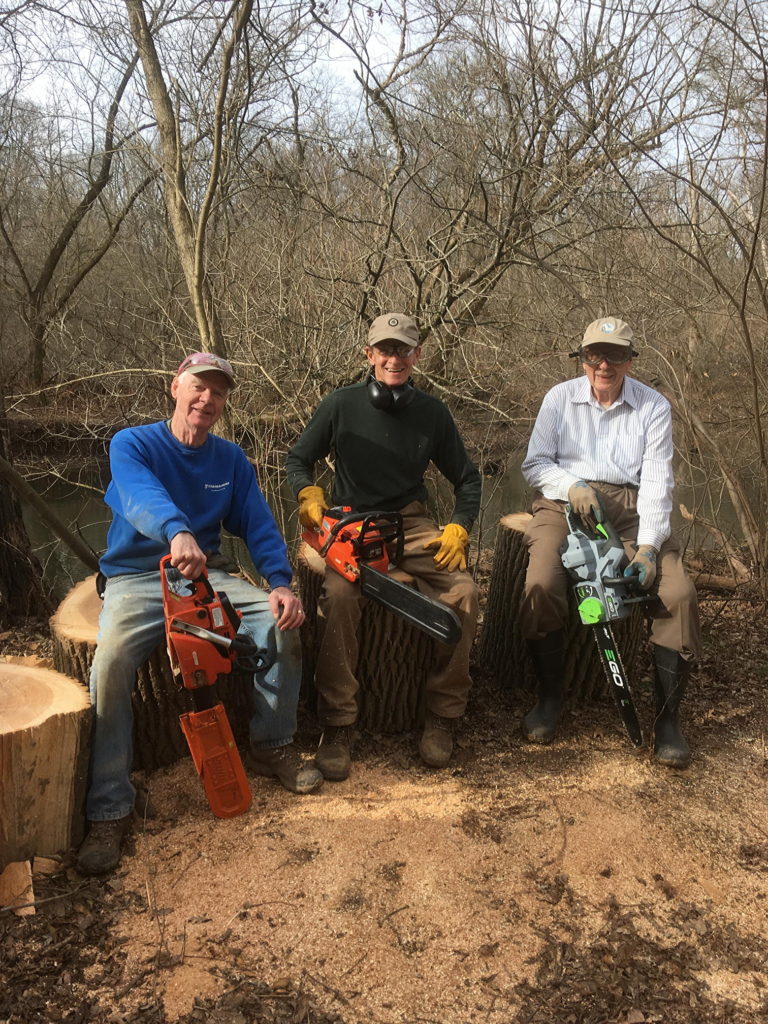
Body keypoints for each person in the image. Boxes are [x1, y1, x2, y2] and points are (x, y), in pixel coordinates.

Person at [77, 352, 322, 876]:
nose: (207, 400)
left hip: (203, 574)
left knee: (278, 622)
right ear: (175, 388)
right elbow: (140, 498)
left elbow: (256, 522)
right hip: (136, 578)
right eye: (198, 388)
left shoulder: (231, 460)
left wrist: (280, 583)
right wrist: (176, 529)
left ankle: (271, 744)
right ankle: (110, 807)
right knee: (112, 663)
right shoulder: (133, 444)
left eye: (218, 393)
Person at [285, 313, 481, 780]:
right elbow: (298, 458)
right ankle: (338, 724)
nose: (394, 359)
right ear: (369, 355)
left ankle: (442, 714)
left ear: (417, 356)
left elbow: (468, 479)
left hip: (411, 524)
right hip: (353, 525)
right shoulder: (340, 404)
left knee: (464, 593)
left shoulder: (432, 412)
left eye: (404, 350)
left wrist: (458, 526)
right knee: (339, 598)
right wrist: (307, 493)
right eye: (385, 350)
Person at [519, 315, 701, 767]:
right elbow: (534, 464)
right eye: (594, 355)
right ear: (582, 359)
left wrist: (649, 547)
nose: (604, 365)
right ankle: (550, 697)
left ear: (630, 362)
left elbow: (659, 482)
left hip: (632, 506)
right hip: (564, 501)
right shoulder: (558, 399)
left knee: (678, 594)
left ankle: (667, 720)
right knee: (541, 583)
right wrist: (571, 485)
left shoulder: (654, 406)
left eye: (615, 355)